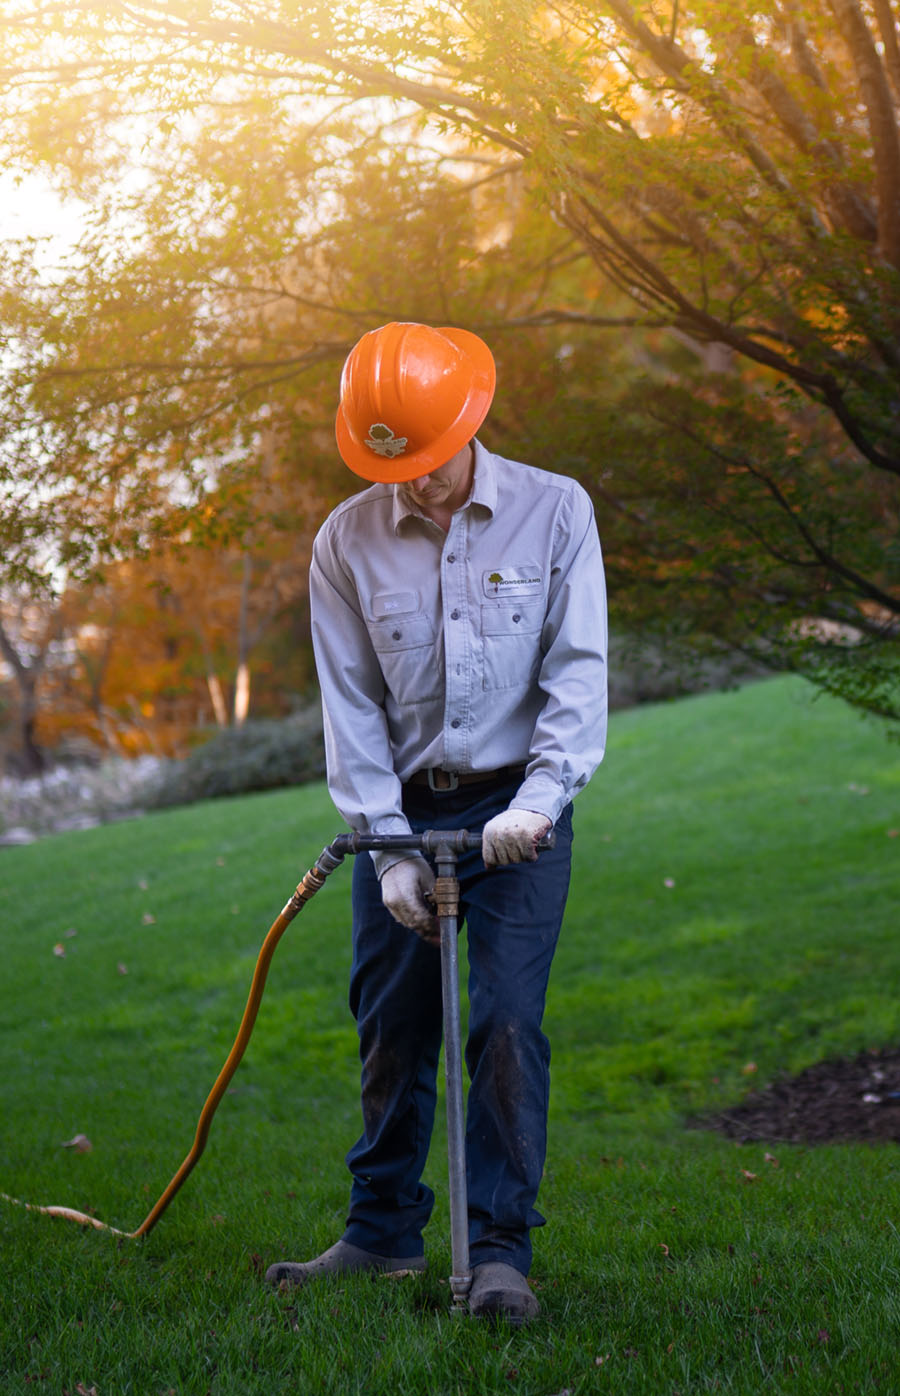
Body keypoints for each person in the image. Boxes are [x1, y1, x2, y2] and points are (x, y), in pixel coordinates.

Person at [266, 322, 607, 1322]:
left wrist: (540, 801)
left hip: (520, 807)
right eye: (389, 464)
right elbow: (352, 705)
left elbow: (577, 673)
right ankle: (379, 1231)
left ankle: (499, 1251)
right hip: (404, 812)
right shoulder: (346, 540)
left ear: (471, 422)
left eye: (422, 458)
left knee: (502, 1020)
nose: (408, 481)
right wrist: (386, 850)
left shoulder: (556, 512)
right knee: (393, 1021)